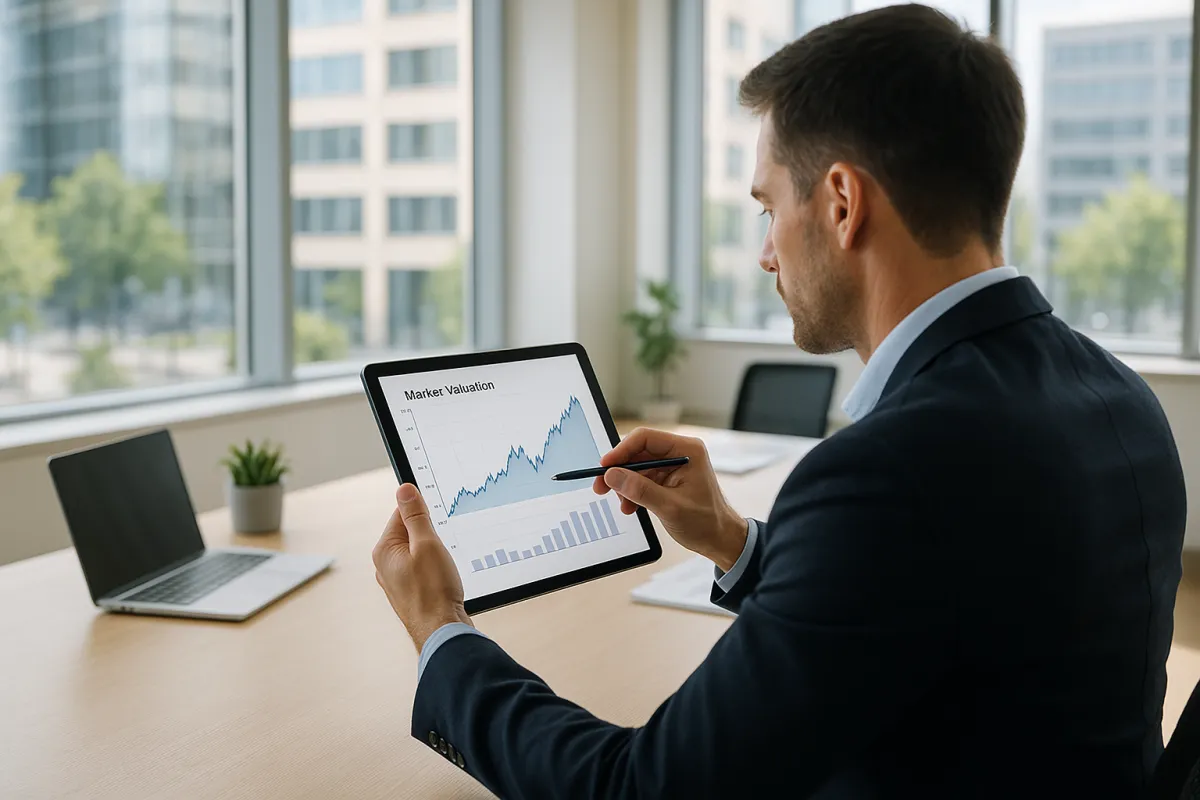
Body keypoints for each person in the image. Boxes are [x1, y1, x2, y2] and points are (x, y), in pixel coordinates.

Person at [371, 4, 1187, 797]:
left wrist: (443, 631)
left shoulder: (891, 473)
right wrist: (733, 540)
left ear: (840, 202)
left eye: (768, 207)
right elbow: (933, 618)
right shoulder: (1120, 399)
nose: (765, 254)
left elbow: (644, 788)